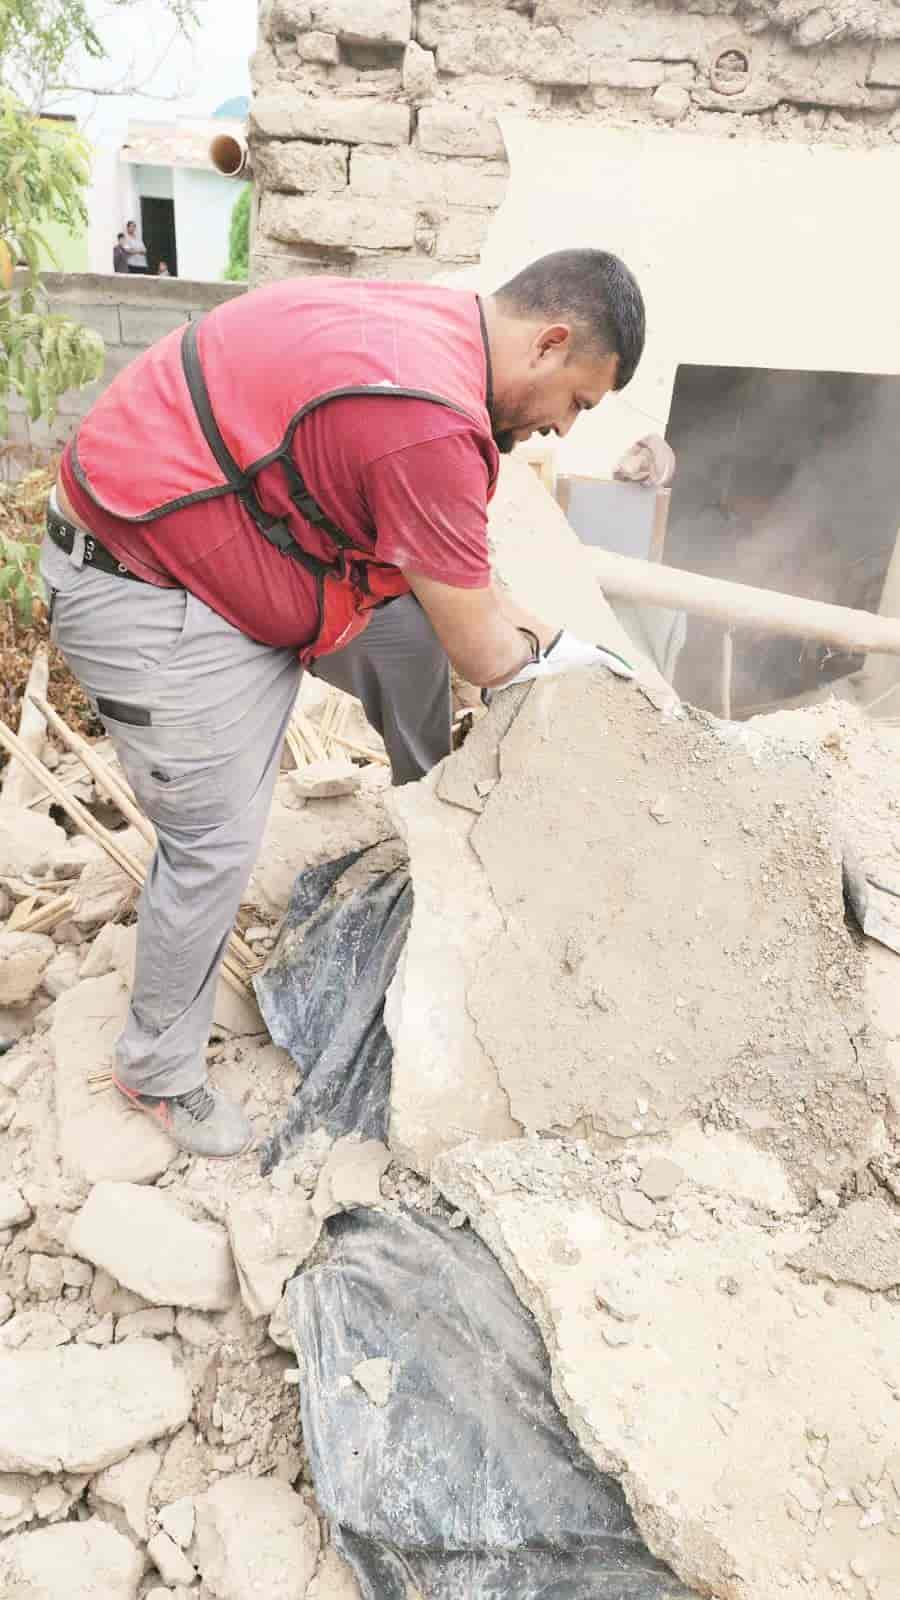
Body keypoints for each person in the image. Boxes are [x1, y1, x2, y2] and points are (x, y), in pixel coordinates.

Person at [43, 249, 646, 1159]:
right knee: (214, 839)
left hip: (227, 534)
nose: (564, 428)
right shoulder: (427, 421)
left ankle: (435, 816)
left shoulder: (439, 337)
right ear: (550, 343)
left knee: (409, 636)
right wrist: (543, 655)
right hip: (146, 583)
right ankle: (156, 1072)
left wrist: (537, 638)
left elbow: (459, 596)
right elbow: (484, 649)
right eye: (579, 402)